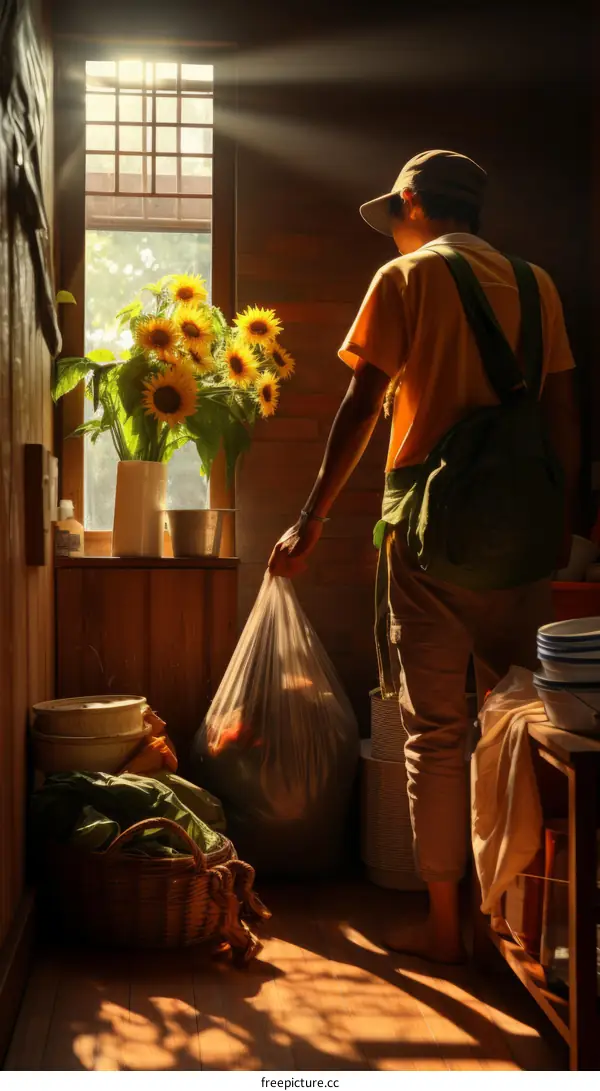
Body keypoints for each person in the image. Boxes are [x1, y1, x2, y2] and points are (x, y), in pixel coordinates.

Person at [268, 149, 580, 963]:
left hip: (429, 536)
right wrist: (557, 523)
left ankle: (448, 928)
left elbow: (362, 403)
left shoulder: (403, 280)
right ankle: (522, 919)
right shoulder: (539, 285)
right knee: (520, 720)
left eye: (395, 217)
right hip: (523, 539)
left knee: (436, 734)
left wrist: (310, 519)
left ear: (410, 201)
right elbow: (562, 417)